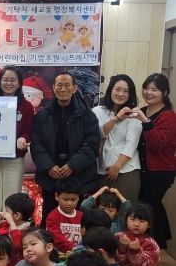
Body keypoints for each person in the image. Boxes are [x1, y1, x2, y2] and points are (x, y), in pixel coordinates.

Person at [30, 72, 100, 224]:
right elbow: (36, 144)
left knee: (77, 221)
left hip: (79, 176)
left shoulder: (88, 116)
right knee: (49, 220)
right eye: (59, 85)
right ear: (53, 88)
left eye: (67, 85)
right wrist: (49, 166)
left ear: (75, 88)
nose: (63, 89)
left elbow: (92, 145)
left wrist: (72, 165)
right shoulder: (42, 115)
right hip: (51, 177)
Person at [132, 73, 176, 248]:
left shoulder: (169, 116)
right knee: (150, 206)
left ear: (164, 93)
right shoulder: (142, 111)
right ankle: (156, 245)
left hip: (160, 172)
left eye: (154, 89)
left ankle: (155, 245)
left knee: (149, 207)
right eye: (146, 88)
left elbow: (157, 143)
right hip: (142, 170)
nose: (148, 92)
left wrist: (145, 121)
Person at [0, 65, 34, 218]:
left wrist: (24, 139)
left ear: (19, 83)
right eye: (5, 79)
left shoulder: (26, 106)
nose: (9, 83)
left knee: (12, 199)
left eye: (13, 80)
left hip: (14, 160)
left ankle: (9, 229)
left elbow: (29, 130)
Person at [92, 74, 142, 203]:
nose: (121, 94)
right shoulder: (97, 111)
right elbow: (99, 134)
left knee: (125, 210)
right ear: (110, 90)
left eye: (126, 91)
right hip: (102, 170)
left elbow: (131, 144)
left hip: (127, 170)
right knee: (101, 210)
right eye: (117, 89)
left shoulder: (134, 114)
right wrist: (117, 118)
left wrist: (117, 166)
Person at [0, 192, 35, 266]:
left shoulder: (28, 231)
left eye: (7, 211)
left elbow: (17, 244)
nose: (5, 213)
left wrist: (11, 221)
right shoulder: (6, 224)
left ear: (17, 215)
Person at [46, 177, 82, 253]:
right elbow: (57, 239)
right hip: (58, 255)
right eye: (65, 200)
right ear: (57, 197)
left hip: (79, 254)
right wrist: (75, 248)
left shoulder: (81, 216)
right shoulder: (53, 216)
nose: (69, 203)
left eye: (73, 200)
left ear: (78, 198)